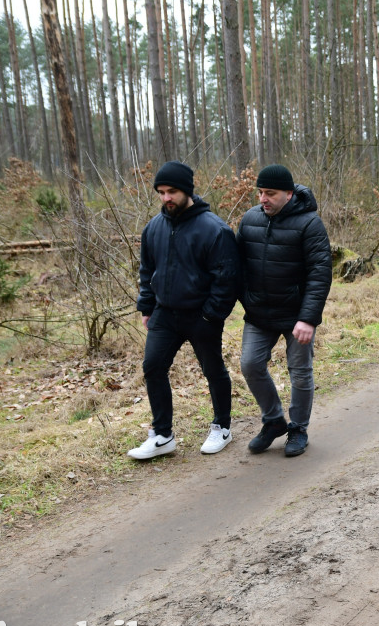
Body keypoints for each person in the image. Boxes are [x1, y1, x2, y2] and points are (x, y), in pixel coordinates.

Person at [129, 161, 240, 460]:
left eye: (173, 191)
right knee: (153, 366)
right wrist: (146, 306)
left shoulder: (214, 229)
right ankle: (163, 436)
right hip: (165, 313)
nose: (166, 198)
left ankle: (222, 428)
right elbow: (146, 271)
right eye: (161, 192)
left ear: (188, 191)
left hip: (201, 315)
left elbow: (226, 279)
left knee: (212, 369)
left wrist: (210, 316)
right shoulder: (153, 228)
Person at [237, 164, 332, 458]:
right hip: (259, 313)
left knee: (300, 373)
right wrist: (246, 298)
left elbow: (320, 273)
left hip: (296, 315)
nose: (263, 199)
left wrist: (308, 318)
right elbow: (237, 266)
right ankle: (274, 420)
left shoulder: (309, 224)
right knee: (250, 365)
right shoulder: (250, 219)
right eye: (261, 192)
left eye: (271, 193)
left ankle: (299, 429)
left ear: (289, 194)